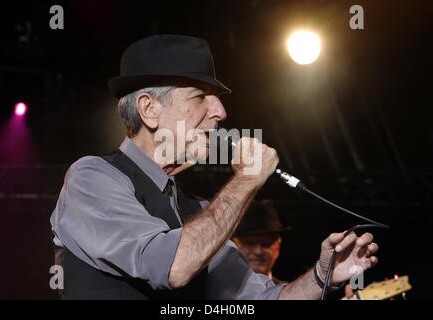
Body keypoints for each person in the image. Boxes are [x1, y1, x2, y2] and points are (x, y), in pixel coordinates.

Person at [50, 34, 379, 299]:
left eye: (217, 98)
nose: (220, 111)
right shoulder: (93, 178)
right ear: (149, 110)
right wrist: (247, 180)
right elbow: (173, 268)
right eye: (199, 96)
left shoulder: (200, 210)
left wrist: (324, 275)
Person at [232, 199, 290, 285]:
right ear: (235, 245)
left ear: (277, 248)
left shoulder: (295, 294)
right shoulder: (214, 291)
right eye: (250, 243)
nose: (258, 252)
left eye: (266, 244)